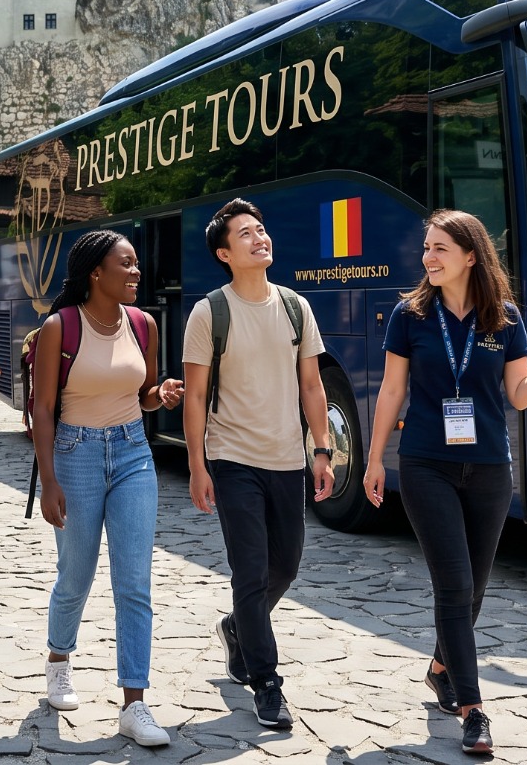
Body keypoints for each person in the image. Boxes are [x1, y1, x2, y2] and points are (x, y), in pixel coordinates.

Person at [363, 209, 527, 757]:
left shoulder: (505, 318)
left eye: (440, 249)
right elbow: (390, 391)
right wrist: (375, 458)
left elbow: (520, 396)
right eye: (426, 248)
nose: (428, 258)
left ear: (471, 256)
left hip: (490, 470)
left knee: (472, 589)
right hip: (426, 465)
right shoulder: (410, 316)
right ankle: (473, 712)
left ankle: (439, 666)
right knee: (453, 585)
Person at [181, 199, 333, 731]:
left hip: (288, 459)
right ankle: (267, 683)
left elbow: (311, 384)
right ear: (225, 253)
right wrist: (198, 466)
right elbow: (195, 398)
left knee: (284, 567)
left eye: (261, 229)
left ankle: (237, 628)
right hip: (232, 459)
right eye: (245, 234)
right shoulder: (209, 313)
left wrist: (322, 449)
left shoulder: (295, 307)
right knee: (249, 570)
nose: (259, 238)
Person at [31, 230, 184, 749]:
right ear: (97, 272)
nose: (137, 272)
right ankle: (58, 659)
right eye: (127, 264)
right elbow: (42, 408)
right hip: (75, 456)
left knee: (134, 582)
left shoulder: (143, 325)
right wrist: (49, 479)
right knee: (76, 574)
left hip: (133, 454)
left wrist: (157, 394)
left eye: (137, 264)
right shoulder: (61, 328)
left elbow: (140, 393)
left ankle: (134, 703)